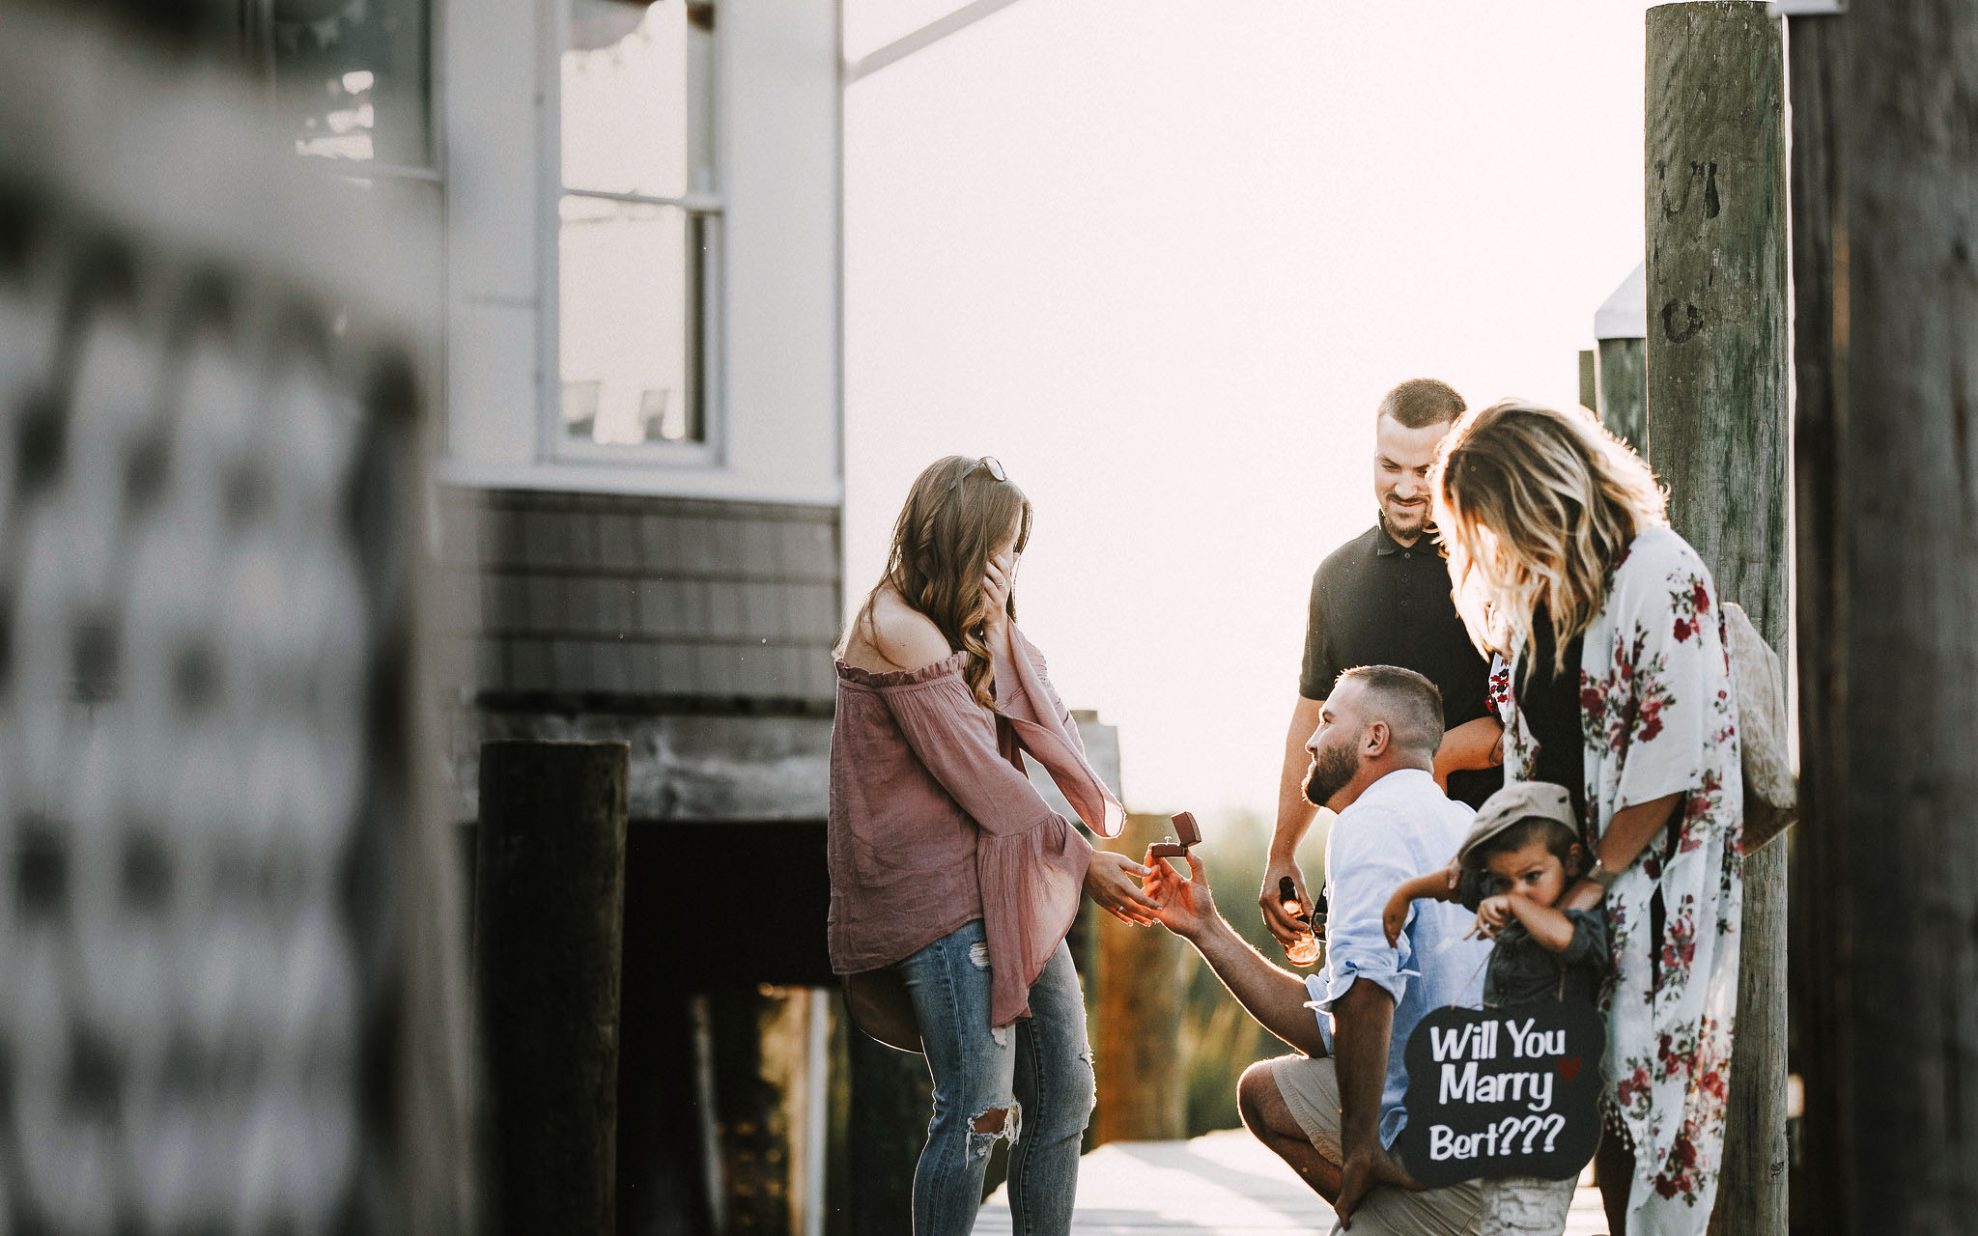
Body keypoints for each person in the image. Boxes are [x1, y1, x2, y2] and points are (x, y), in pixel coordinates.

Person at [827, 454, 1161, 1236]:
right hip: (936, 896)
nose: (1011, 564)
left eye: (1019, 549)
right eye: (1002, 546)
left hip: (1001, 876)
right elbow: (981, 777)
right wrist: (1081, 859)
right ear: (958, 539)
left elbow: (1038, 708)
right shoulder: (895, 630)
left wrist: (1001, 622)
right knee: (978, 1107)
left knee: (1066, 1096)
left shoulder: (964, 625)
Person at [1430, 401, 1742, 1236]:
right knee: (1582, 1111)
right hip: (1565, 894)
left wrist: (1594, 882)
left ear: (1542, 488)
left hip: (1646, 891)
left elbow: (1671, 764)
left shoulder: (1658, 571)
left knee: (1652, 1118)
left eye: (1497, 517)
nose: (1493, 543)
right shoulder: (1545, 592)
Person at [1145, 665, 1491, 1235]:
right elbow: (1329, 1025)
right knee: (1265, 1093)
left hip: (1452, 1154)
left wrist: (1360, 1148)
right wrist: (1204, 925)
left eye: (1328, 720)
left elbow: (1365, 992)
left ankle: (1408, 1210)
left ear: (1374, 739)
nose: (1310, 738)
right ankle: (1391, 1214)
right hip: (1508, 1135)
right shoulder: (1465, 824)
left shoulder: (1370, 823)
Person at [1262, 378, 1505, 956]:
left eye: (1425, 470)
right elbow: (1313, 718)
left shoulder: (1496, 571)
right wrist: (1281, 848)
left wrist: (1434, 759)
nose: (1404, 487)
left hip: (1482, 866)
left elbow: (1522, 722)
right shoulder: (1336, 577)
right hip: (1368, 864)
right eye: (1389, 464)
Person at [1384, 782, 1608, 1236]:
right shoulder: (1509, 895)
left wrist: (1513, 900)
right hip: (1504, 1091)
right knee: (1500, 1212)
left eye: (1532, 877)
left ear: (1570, 860)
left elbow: (1566, 940)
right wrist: (1406, 892)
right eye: (1504, 880)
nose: (1515, 889)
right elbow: (1458, 883)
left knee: (1529, 1214)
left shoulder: (1575, 916)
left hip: (1553, 1101)